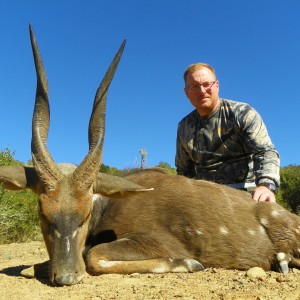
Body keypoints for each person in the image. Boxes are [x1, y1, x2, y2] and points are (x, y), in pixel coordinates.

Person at [175, 63, 280, 202]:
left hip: (245, 193)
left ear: (217, 86)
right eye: (195, 86)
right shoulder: (184, 126)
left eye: (207, 84)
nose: (202, 91)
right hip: (203, 196)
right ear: (186, 92)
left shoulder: (242, 113)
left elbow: (265, 151)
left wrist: (266, 185)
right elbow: (183, 171)